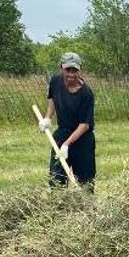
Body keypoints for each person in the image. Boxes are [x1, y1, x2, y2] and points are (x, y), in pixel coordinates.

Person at [39, 52, 96, 190]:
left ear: (80, 69)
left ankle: (87, 208)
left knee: (85, 183)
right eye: (68, 70)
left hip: (82, 140)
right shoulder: (55, 81)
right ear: (61, 68)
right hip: (62, 133)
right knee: (56, 180)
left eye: (74, 70)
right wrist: (48, 117)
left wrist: (66, 145)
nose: (71, 74)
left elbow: (84, 125)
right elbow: (52, 98)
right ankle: (59, 207)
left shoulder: (86, 94)